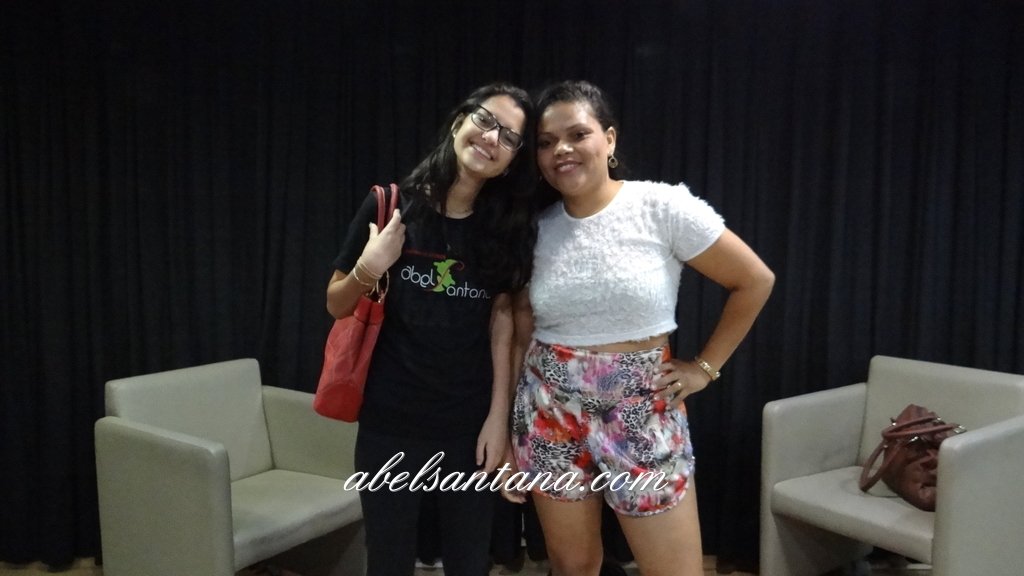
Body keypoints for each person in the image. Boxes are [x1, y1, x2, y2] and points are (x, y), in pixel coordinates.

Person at [501, 80, 775, 576]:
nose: (561, 149)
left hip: (641, 409)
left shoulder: (662, 207)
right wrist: (506, 426)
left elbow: (754, 280)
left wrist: (704, 368)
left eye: (577, 134)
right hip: (547, 409)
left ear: (609, 139)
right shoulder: (535, 228)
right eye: (546, 142)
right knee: (573, 566)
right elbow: (522, 329)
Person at [326, 82, 536, 576]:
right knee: (388, 561)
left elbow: (503, 325)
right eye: (485, 120)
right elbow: (336, 303)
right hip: (389, 422)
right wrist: (369, 268)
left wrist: (498, 419)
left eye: (509, 137)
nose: (492, 138)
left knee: (469, 562)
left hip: (469, 427)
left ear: (512, 160)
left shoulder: (504, 227)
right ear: (459, 121)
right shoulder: (392, 205)